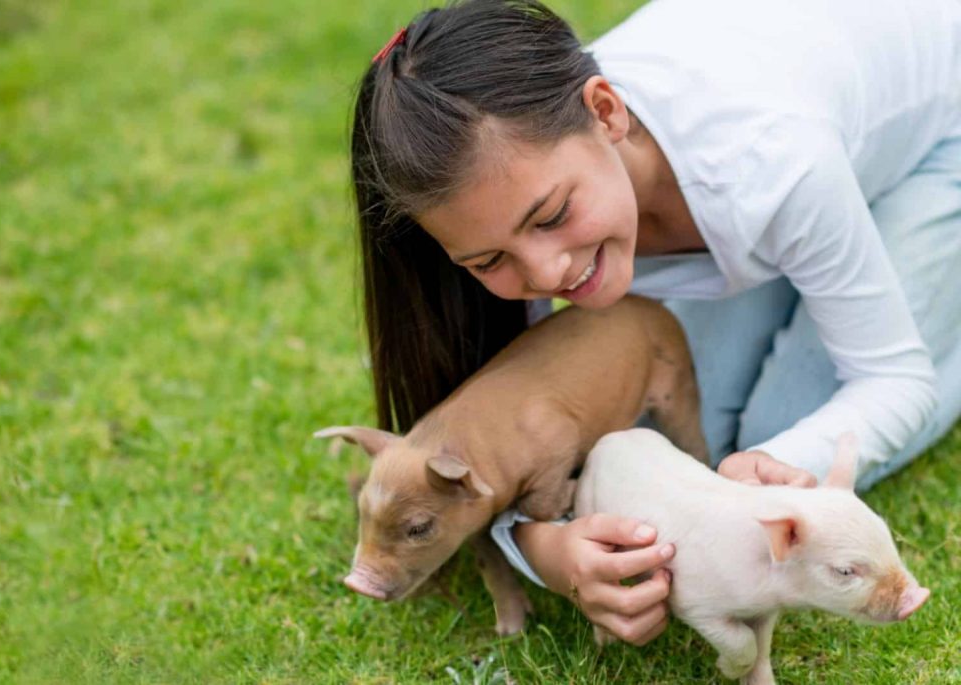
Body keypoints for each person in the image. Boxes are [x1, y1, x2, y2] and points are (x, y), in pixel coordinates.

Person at [349, 0, 961, 646]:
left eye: (552, 214)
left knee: (768, 442)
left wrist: (772, 476)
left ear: (608, 113)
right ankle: (817, 275)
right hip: (801, 189)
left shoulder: (769, 164)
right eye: (489, 259)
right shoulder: (506, 193)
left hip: (936, 139)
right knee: (681, 440)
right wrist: (549, 549)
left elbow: (894, 379)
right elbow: (500, 434)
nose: (548, 272)